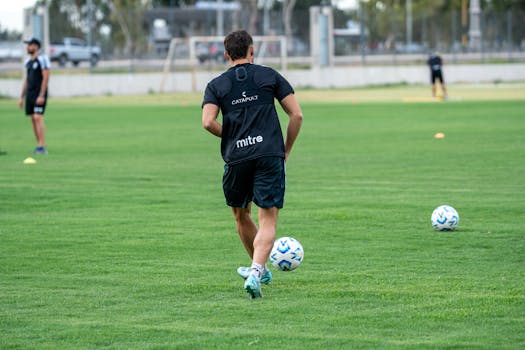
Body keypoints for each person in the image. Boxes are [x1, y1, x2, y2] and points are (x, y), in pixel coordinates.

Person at [201, 30, 303, 299]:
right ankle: (258, 270)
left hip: (237, 157)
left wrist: (233, 136)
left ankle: (258, 269)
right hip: (269, 154)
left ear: (226, 55)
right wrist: (286, 150)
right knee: (267, 217)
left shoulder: (216, 85)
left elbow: (207, 122)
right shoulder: (269, 75)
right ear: (252, 51)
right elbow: (297, 115)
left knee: (240, 215)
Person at [18, 37, 50, 154]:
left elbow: (46, 77)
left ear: (36, 46)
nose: (27, 47)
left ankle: (42, 146)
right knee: (32, 118)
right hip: (30, 95)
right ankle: (39, 145)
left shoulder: (43, 59)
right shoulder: (28, 62)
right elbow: (27, 80)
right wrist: (21, 97)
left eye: (30, 45)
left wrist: (42, 94)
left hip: (39, 94)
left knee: (38, 117)